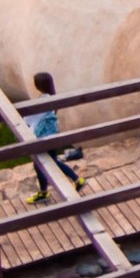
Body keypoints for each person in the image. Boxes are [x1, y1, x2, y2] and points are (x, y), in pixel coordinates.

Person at [26, 72, 84, 204]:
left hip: (43, 137)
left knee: (42, 163)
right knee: (48, 162)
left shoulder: (42, 100)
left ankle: (45, 192)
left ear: (37, 86)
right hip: (53, 135)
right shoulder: (54, 97)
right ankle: (75, 181)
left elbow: (31, 118)